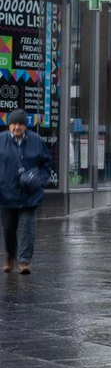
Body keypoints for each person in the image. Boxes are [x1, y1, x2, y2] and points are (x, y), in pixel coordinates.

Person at [0, 110, 52, 275]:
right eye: (14, 124)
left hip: (29, 195)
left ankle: (24, 261)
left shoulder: (36, 141)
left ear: (25, 126)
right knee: (8, 229)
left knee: (27, 229)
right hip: (6, 194)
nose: (17, 127)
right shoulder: (1, 141)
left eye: (20, 124)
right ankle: (10, 255)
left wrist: (40, 182)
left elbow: (46, 165)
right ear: (9, 125)